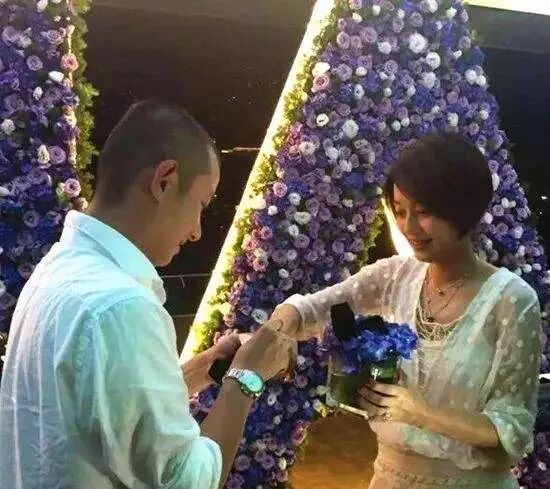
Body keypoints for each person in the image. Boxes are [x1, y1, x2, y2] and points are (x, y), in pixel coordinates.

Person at [0, 100, 296, 489]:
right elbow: (189, 480)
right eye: (201, 205)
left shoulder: (59, 270)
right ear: (165, 180)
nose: (197, 231)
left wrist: (205, 369)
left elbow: (107, 411)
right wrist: (246, 378)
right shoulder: (122, 307)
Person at [271, 133, 543, 488]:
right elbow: (310, 309)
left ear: (463, 209)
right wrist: (280, 332)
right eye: (400, 211)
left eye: (424, 212)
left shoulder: (511, 300)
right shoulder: (395, 277)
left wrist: (420, 413)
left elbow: (512, 428)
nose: (409, 228)